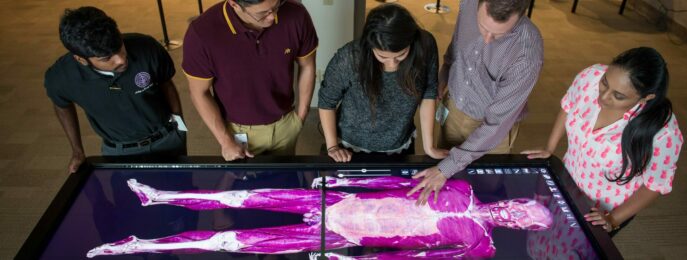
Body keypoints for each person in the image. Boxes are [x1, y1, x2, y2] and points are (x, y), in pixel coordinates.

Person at [87, 176, 552, 258]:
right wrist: (345, 186)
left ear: (520, 227)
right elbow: (402, 186)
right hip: (334, 205)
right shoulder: (462, 188)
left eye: (520, 218)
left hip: (339, 235)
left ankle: (141, 245)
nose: (512, 212)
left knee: (229, 243)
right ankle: (158, 195)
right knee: (245, 199)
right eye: (521, 206)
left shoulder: (480, 245)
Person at [521, 47, 683, 235]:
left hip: (605, 209)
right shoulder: (590, 77)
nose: (603, 97)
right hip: (568, 182)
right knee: (546, 234)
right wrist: (550, 147)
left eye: (618, 96)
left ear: (646, 97)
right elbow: (569, 105)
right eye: (605, 83)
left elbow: (654, 185)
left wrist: (613, 219)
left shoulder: (663, 133)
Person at [408, 0, 543, 205]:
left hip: (490, 129)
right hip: (454, 105)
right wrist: (445, 73)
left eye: (498, 35)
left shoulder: (527, 53)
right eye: (482, 26)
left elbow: (496, 124)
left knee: (481, 191)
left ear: (521, 15)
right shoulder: (469, 3)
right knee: (446, 185)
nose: (487, 39)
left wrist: (446, 168)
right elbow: (457, 43)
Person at [45, 6, 186, 173]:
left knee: (181, 192)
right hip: (119, 151)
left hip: (168, 139)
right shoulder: (61, 76)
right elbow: (61, 104)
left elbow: (166, 84)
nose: (121, 59)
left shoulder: (148, 47)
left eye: (119, 46)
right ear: (81, 59)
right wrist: (77, 150)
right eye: (106, 58)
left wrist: (180, 126)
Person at [183, 0, 318, 160]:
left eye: (276, 7)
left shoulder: (296, 14)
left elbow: (308, 66)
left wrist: (301, 116)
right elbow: (199, 93)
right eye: (263, 13)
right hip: (238, 131)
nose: (273, 17)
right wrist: (225, 141)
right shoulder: (202, 33)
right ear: (234, 4)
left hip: (286, 124)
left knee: (285, 181)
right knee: (244, 182)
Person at [318, 4, 448, 162]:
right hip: (350, 147)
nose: (392, 64)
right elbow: (327, 101)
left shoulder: (425, 45)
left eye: (400, 56)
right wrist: (332, 147)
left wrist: (429, 147)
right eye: (382, 57)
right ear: (370, 45)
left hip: (400, 144)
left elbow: (428, 92)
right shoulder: (350, 58)